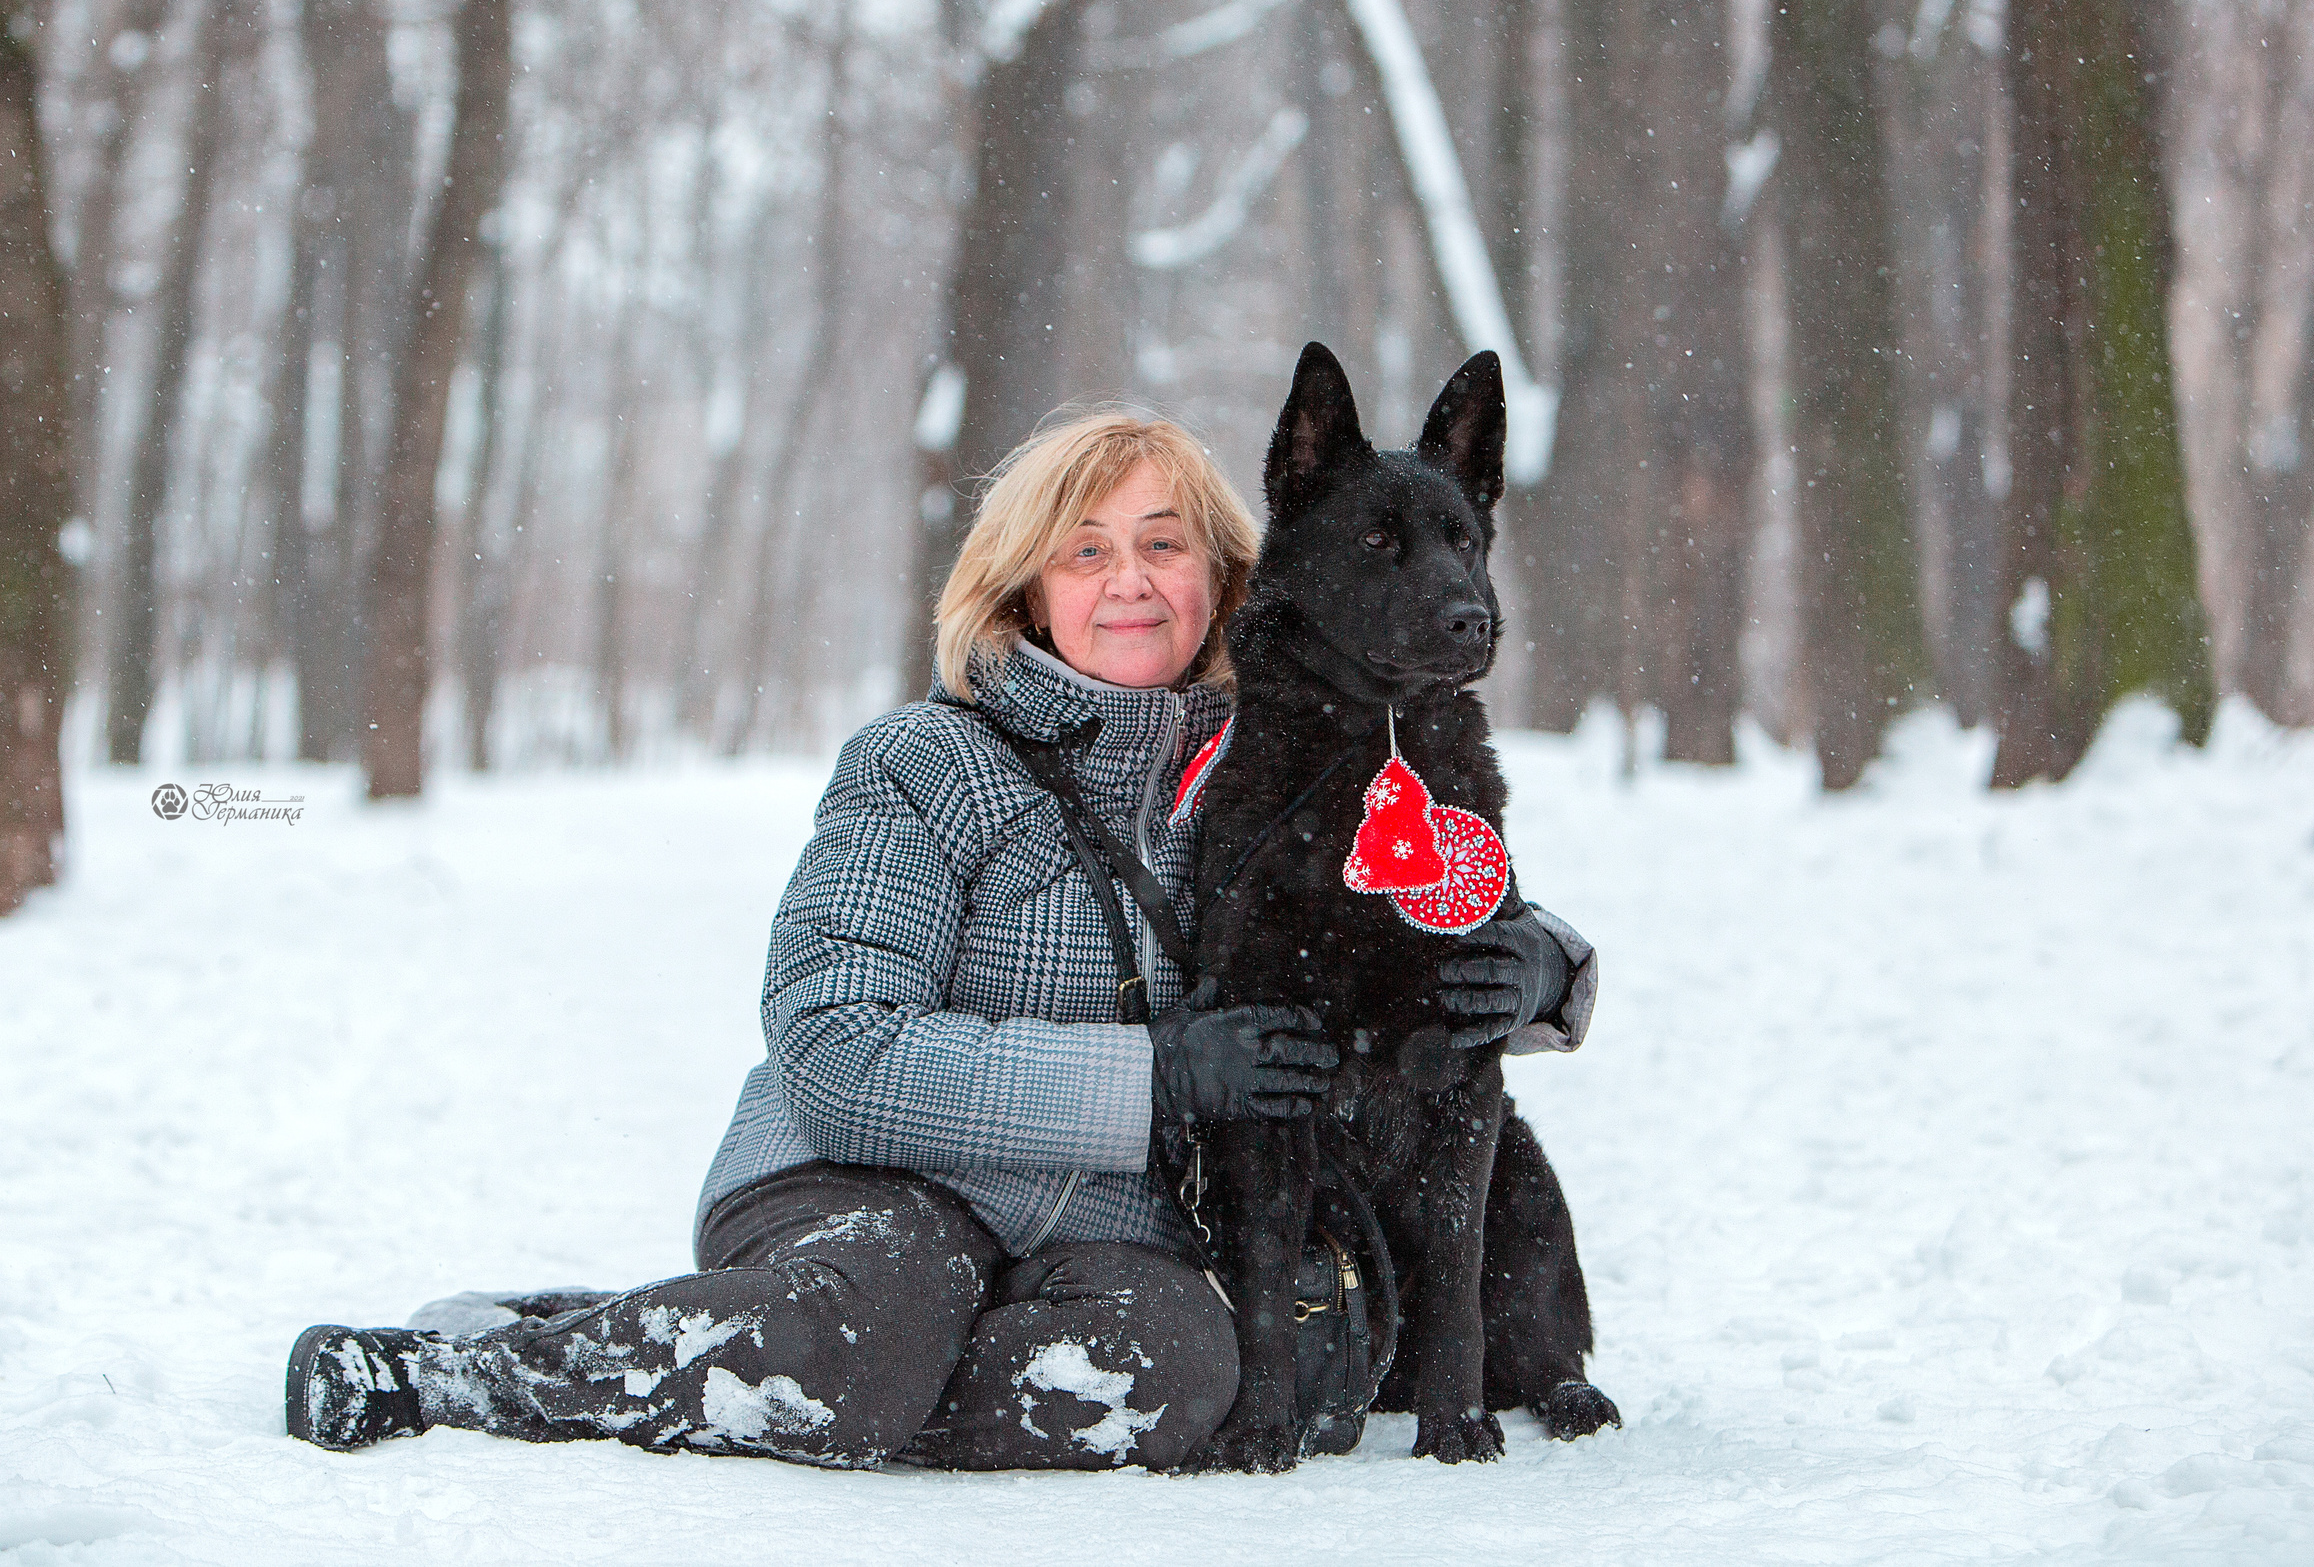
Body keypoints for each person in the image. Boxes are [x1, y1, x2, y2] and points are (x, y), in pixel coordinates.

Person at [284, 411, 1595, 1471]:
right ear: (1024, 583)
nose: (1129, 580)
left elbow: (1420, 922)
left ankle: (809, 1375)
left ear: (1225, 578)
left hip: (1089, 1228)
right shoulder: (927, 764)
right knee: (888, 1299)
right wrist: (1152, 1083)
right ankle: (466, 1369)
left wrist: (1546, 970)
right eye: (1085, 552)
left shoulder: (1269, 771)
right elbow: (833, 1046)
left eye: (1163, 545)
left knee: (1179, 1371)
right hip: (857, 1183)